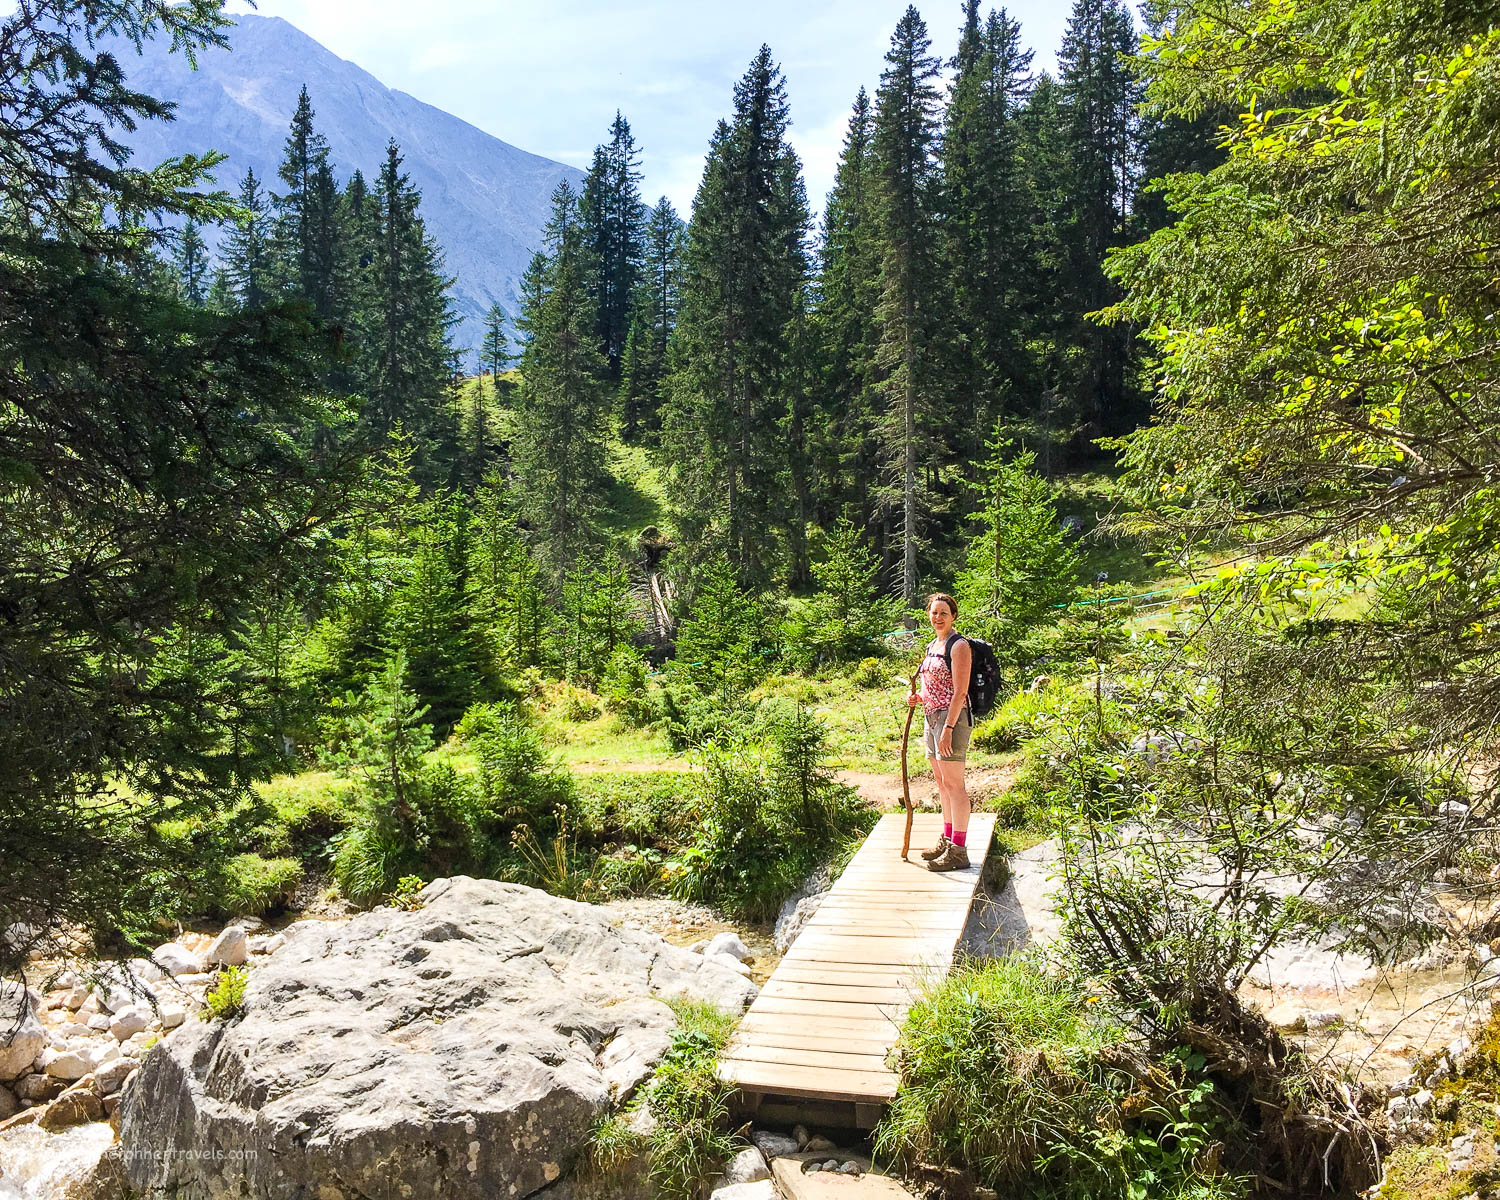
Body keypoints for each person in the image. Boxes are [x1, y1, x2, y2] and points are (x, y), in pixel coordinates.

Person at [906, 592, 972, 871]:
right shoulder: (933, 644)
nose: (938, 618)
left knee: (955, 784)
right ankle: (947, 838)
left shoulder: (959, 646)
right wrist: (918, 698)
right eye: (934, 613)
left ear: (953, 615)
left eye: (943, 613)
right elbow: (931, 685)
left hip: (951, 720)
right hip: (931, 717)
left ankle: (959, 850)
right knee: (942, 782)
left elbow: (960, 693)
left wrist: (948, 728)